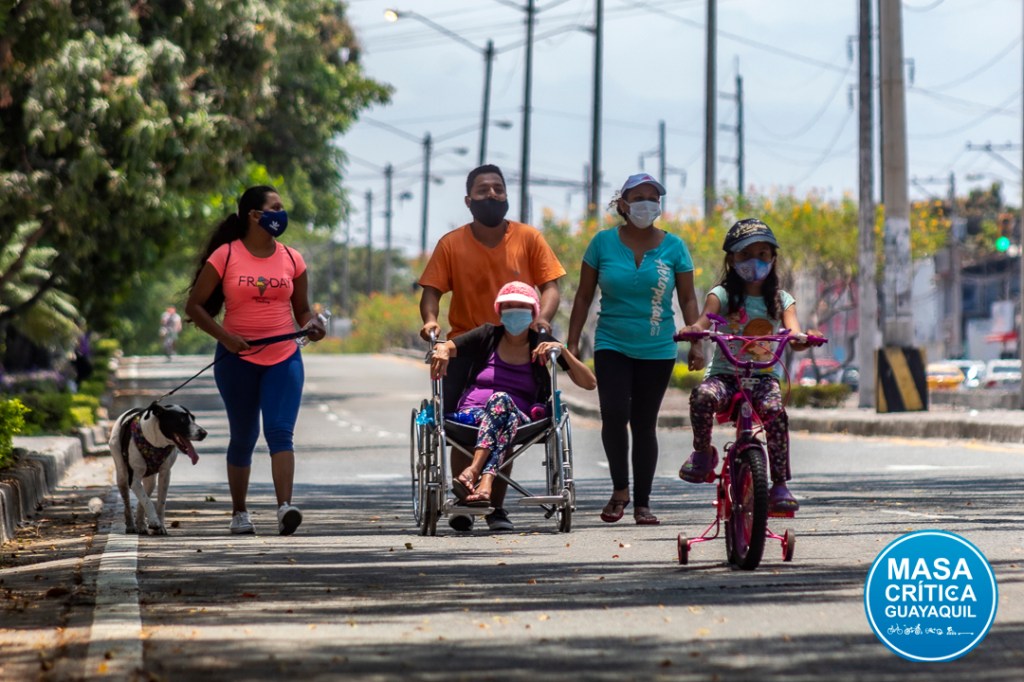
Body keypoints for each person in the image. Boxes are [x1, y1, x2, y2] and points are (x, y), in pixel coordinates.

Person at [419, 164, 567, 532]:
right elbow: (432, 292)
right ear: (468, 200)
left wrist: (542, 320)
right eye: (483, 190)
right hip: (467, 346)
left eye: (498, 189)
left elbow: (550, 285)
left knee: (506, 418)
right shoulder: (451, 244)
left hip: (518, 344)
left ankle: (495, 506)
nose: (492, 195)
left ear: (506, 195)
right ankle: (464, 501)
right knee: (459, 429)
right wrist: (430, 322)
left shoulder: (528, 238)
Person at [185, 185, 326, 536]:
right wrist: (225, 338)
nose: (282, 213)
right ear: (254, 215)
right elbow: (195, 306)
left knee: (280, 432)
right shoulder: (226, 255)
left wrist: (312, 326)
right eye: (275, 207)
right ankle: (239, 512)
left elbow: (302, 310)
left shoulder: (292, 258)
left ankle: (284, 508)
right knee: (244, 435)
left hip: (284, 357)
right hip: (236, 359)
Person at [567, 173, 704, 526]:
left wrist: (696, 342)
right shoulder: (602, 243)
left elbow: (688, 299)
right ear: (623, 204)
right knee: (614, 414)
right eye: (639, 197)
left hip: (658, 347)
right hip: (611, 343)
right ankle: (620, 491)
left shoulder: (675, 247)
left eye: (653, 198)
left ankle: (642, 503)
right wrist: (572, 343)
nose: (647, 203)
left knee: (644, 423)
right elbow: (583, 296)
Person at [677, 218, 822, 514]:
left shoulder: (782, 300)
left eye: (762, 254)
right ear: (732, 259)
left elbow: (793, 335)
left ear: (773, 259)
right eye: (745, 255)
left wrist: (806, 339)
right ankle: (702, 453)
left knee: (776, 414)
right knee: (702, 397)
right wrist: (693, 331)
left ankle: (779, 484)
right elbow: (703, 322)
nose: (754, 261)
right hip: (725, 377)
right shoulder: (721, 295)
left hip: (763, 379)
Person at [430, 282, 596, 512]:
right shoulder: (487, 334)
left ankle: (474, 471)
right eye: (509, 306)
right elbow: (448, 346)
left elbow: (589, 383)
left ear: (533, 312)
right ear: (500, 311)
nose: (515, 311)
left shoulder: (542, 343)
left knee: (501, 402)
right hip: (473, 414)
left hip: (522, 417)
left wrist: (562, 350)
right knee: (503, 414)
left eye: (522, 306)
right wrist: (442, 350)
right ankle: (486, 486)